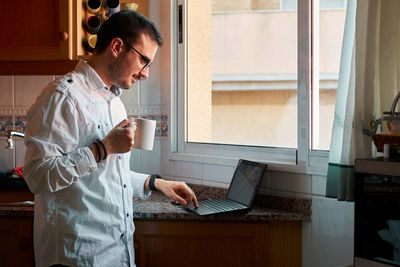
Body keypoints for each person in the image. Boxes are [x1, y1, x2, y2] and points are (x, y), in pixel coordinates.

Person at [24, 10, 198, 267]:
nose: (145, 73)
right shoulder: (63, 96)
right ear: (117, 46)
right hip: (77, 257)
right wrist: (102, 148)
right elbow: (37, 176)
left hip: (116, 253)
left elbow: (103, 176)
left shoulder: (114, 102)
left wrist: (155, 183)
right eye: (144, 61)